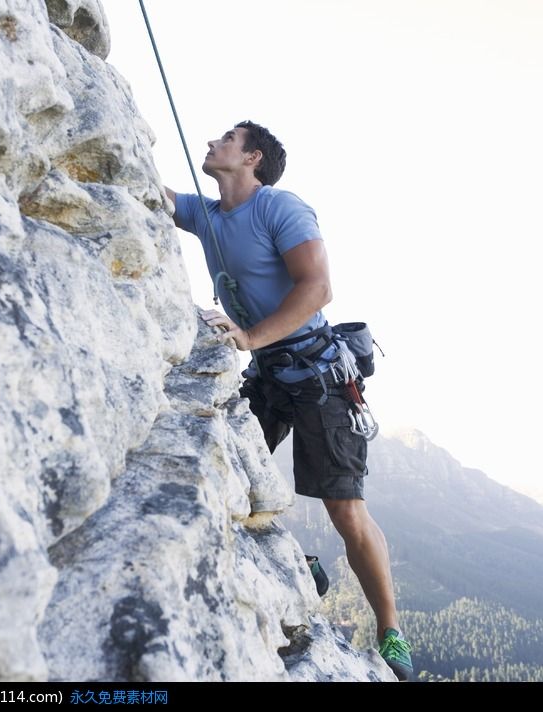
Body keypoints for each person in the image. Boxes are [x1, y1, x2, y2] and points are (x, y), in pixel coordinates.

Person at [164, 121, 413, 681]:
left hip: (318, 373)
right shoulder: (208, 215)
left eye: (226, 137)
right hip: (272, 373)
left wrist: (250, 336)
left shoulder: (280, 207)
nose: (210, 143)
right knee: (226, 469)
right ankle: (296, 565)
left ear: (252, 157)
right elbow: (155, 193)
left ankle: (391, 632)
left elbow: (317, 288)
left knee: (345, 509)